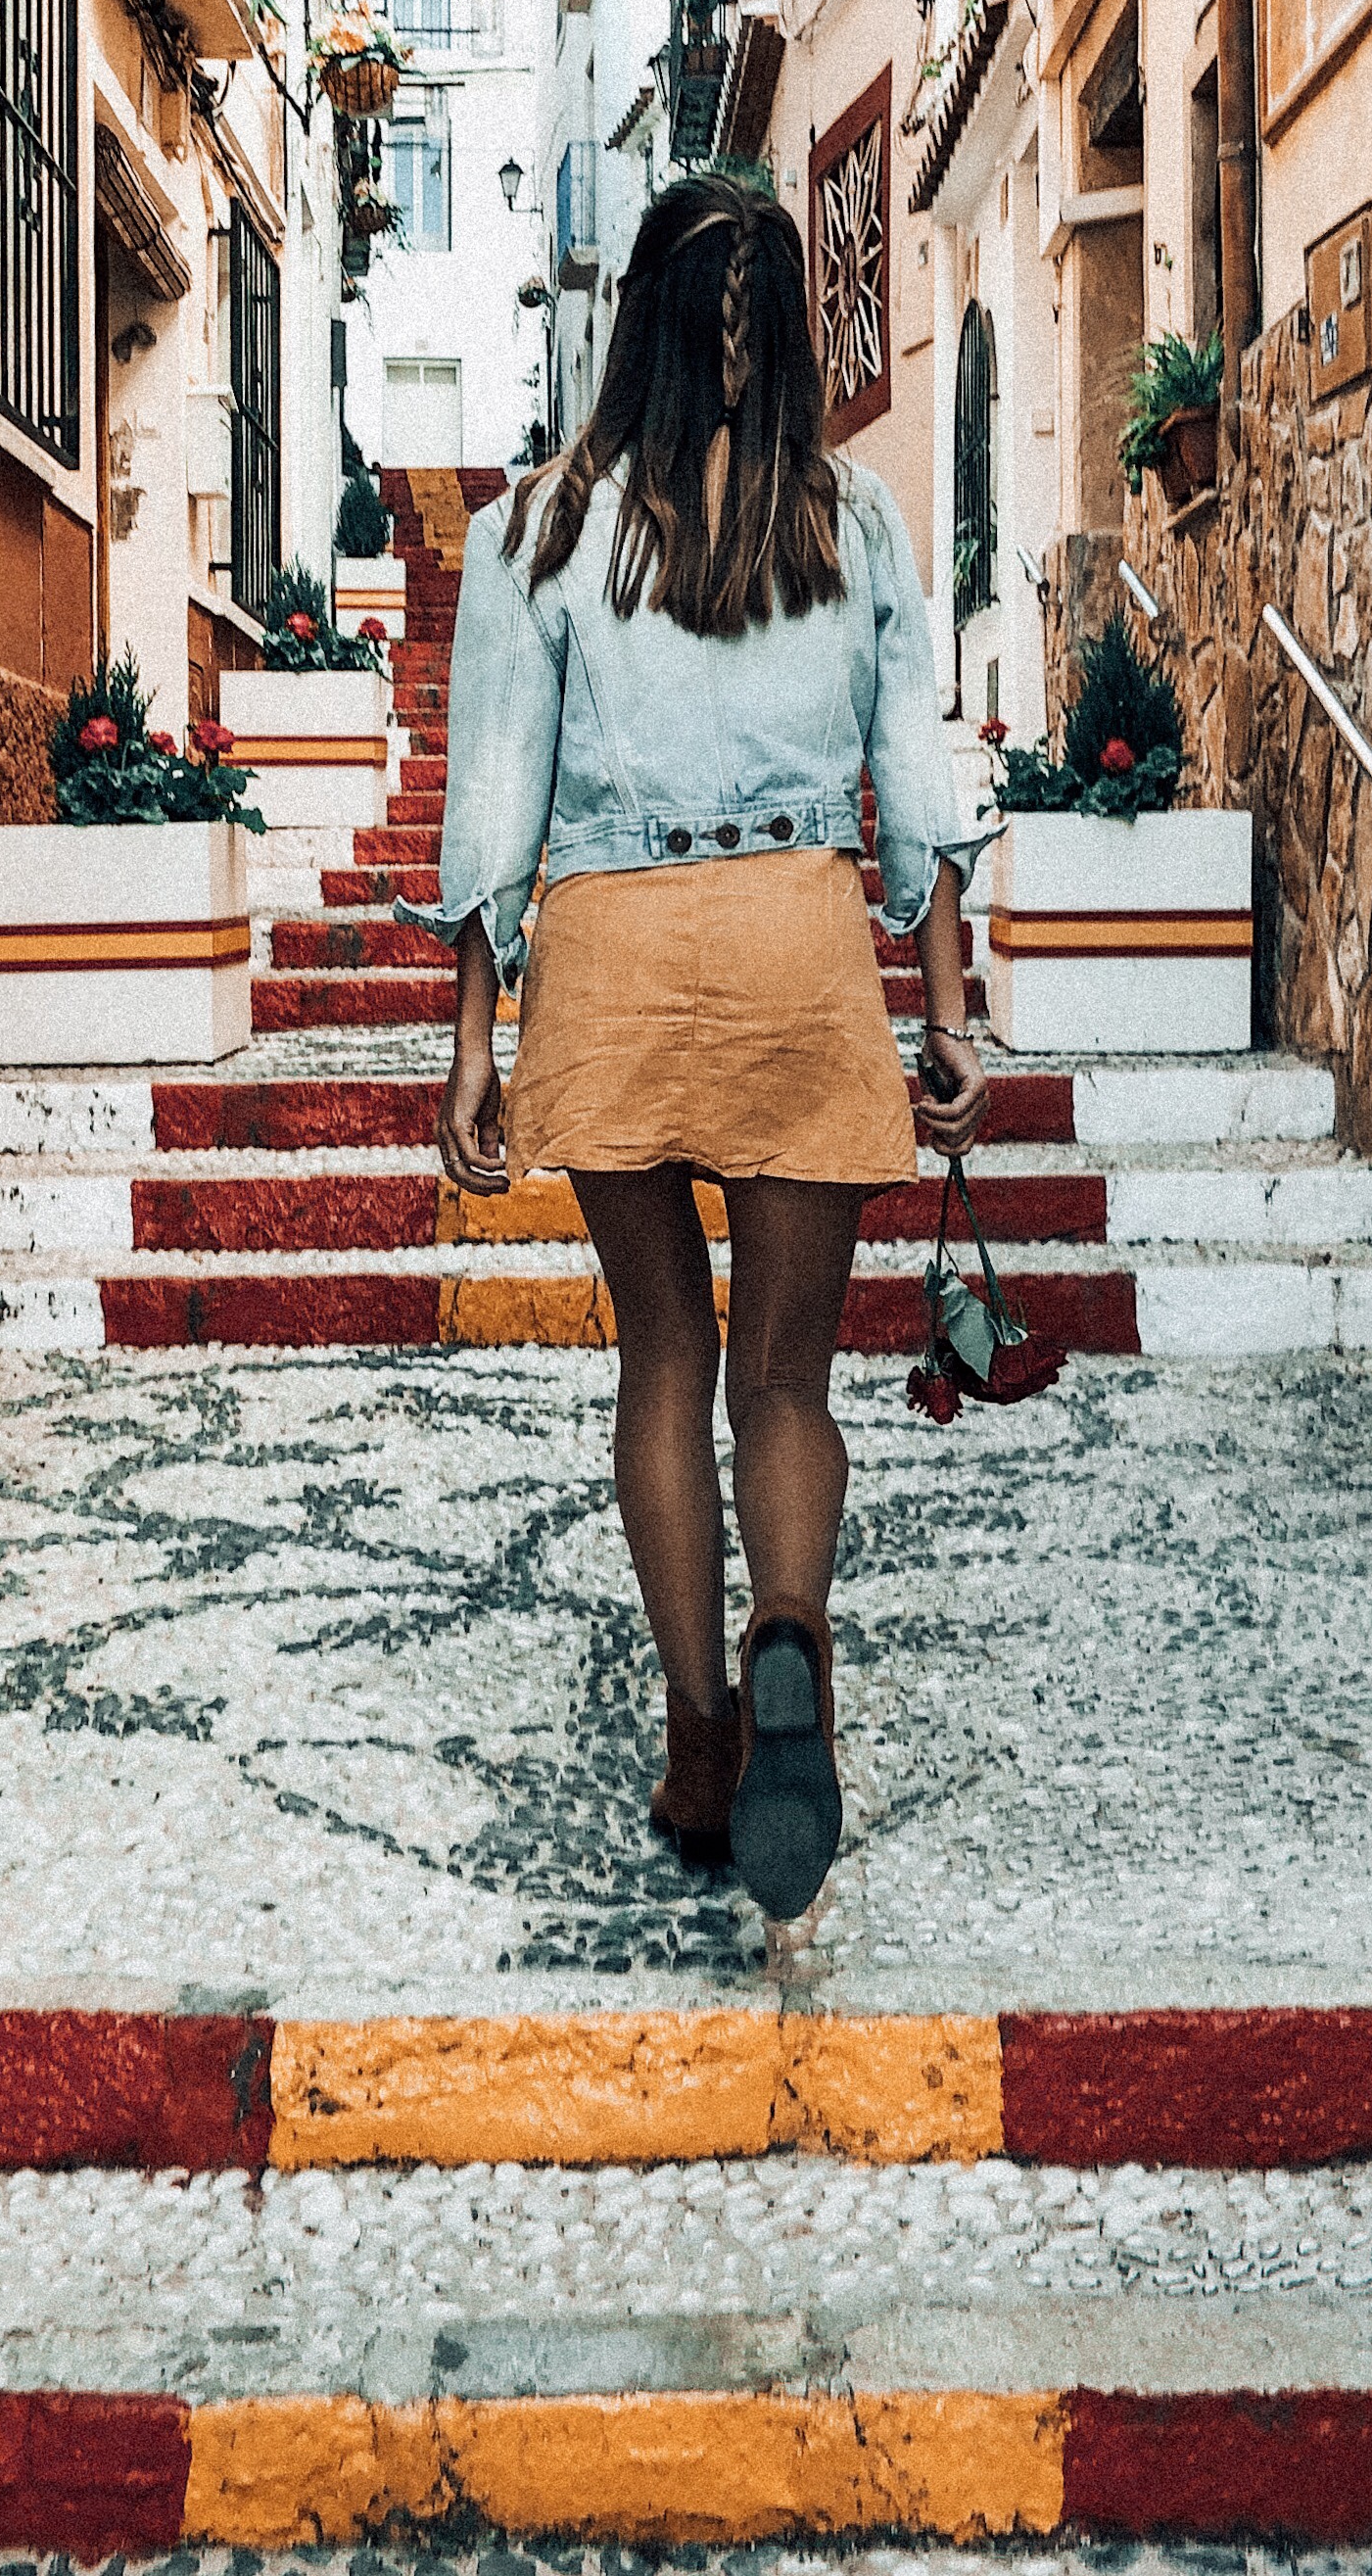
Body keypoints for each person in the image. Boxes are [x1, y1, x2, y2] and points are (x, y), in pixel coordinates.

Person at [420, 173, 991, 1922]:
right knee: (788, 1377)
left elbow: (493, 799)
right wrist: (949, 1006)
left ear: (639, 326)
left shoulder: (539, 528)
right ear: (776, 334)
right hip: (800, 945)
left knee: (662, 1355)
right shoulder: (859, 523)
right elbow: (921, 774)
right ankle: (793, 1630)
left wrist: (474, 1038)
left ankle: (699, 1731)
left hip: (612, 949)